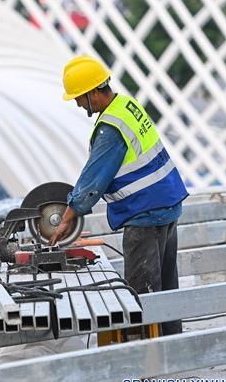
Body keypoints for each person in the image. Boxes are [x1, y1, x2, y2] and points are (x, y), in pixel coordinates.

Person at [48, 55, 187, 335]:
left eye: (78, 97)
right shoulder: (126, 106)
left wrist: (68, 217)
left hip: (145, 214)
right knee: (167, 290)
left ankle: (146, 361)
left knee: (141, 296)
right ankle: (173, 347)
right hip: (167, 204)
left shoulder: (111, 129)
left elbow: (93, 179)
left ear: (92, 93)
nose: (76, 103)